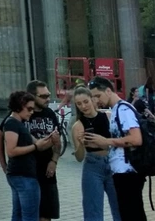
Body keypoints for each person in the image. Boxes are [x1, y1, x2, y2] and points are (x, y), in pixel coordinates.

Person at [87, 76, 147, 220]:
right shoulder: (117, 109)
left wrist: (106, 141)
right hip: (123, 171)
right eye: (93, 97)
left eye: (98, 95)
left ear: (108, 91)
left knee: (132, 214)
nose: (96, 100)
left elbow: (136, 139)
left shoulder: (123, 110)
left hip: (128, 172)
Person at [0, 90, 57, 221]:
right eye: (29, 109)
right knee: (29, 216)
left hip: (22, 174)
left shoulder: (19, 123)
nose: (31, 112)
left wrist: (50, 140)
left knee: (19, 215)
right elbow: (11, 151)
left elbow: (38, 143)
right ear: (19, 106)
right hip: (23, 175)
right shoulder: (12, 123)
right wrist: (35, 147)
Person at [70, 86, 121, 221]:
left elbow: (119, 142)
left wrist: (105, 142)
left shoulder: (108, 116)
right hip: (93, 166)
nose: (83, 106)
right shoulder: (78, 126)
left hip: (113, 164)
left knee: (120, 208)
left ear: (92, 99)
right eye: (79, 104)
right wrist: (81, 144)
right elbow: (79, 157)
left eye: (85, 101)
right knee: (93, 211)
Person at [22, 80, 61, 221]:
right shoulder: (22, 113)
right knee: (30, 214)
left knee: (46, 214)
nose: (48, 99)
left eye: (48, 95)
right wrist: (4, 165)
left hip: (47, 172)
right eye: (43, 96)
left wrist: (54, 161)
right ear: (31, 96)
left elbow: (58, 142)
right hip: (28, 171)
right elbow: (0, 134)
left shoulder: (50, 113)